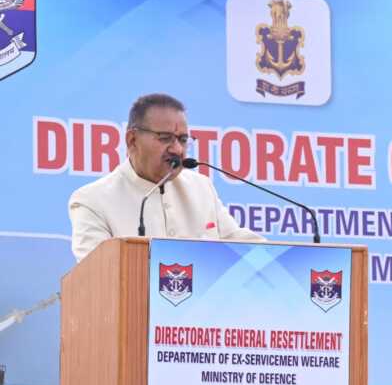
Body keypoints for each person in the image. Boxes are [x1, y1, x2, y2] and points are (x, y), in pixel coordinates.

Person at [68, 93, 262, 262]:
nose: (177, 149)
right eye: (165, 138)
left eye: (183, 140)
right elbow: (98, 275)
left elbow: (239, 245)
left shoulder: (201, 187)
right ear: (132, 140)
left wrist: (276, 260)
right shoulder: (92, 200)